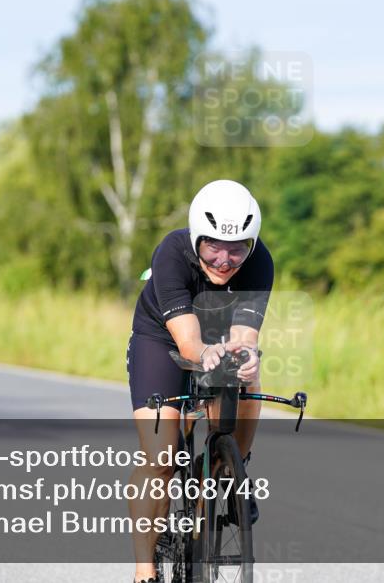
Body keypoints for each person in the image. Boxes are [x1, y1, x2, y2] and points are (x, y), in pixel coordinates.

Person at [126, 180, 273, 583]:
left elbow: (245, 335)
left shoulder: (260, 262)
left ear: (252, 243)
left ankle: (231, 468)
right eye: (213, 247)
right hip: (162, 336)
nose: (224, 260)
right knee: (161, 457)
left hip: (220, 332)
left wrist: (244, 358)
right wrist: (204, 353)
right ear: (196, 237)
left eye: (237, 248)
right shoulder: (172, 253)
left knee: (248, 368)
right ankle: (144, 569)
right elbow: (190, 343)